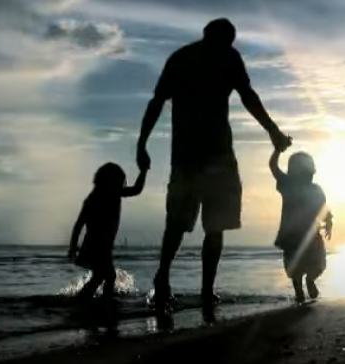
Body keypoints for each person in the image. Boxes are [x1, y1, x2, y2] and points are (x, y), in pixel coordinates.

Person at [136, 18, 292, 310]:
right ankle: (179, 284)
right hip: (205, 155)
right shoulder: (212, 57)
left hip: (198, 155)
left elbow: (246, 96)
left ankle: (188, 285)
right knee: (195, 225)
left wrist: (142, 143)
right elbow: (158, 101)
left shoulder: (187, 57)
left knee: (195, 225)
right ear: (216, 37)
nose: (221, 47)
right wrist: (272, 131)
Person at [68, 162, 148, 300]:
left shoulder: (114, 193)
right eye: (116, 179)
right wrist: (73, 247)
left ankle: (90, 300)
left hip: (102, 246)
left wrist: (143, 172)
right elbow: (79, 225)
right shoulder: (95, 198)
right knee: (108, 276)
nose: (120, 183)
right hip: (95, 245)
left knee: (101, 277)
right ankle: (100, 300)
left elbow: (136, 189)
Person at [269, 149, 333, 304]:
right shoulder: (289, 185)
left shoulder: (308, 188)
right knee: (301, 266)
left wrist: (329, 221)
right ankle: (301, 288)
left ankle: (308, 282)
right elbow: (274, 167)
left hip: (302, 235)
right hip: (297, 235)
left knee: (311, 264)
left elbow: (323, 209)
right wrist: (277, 151)